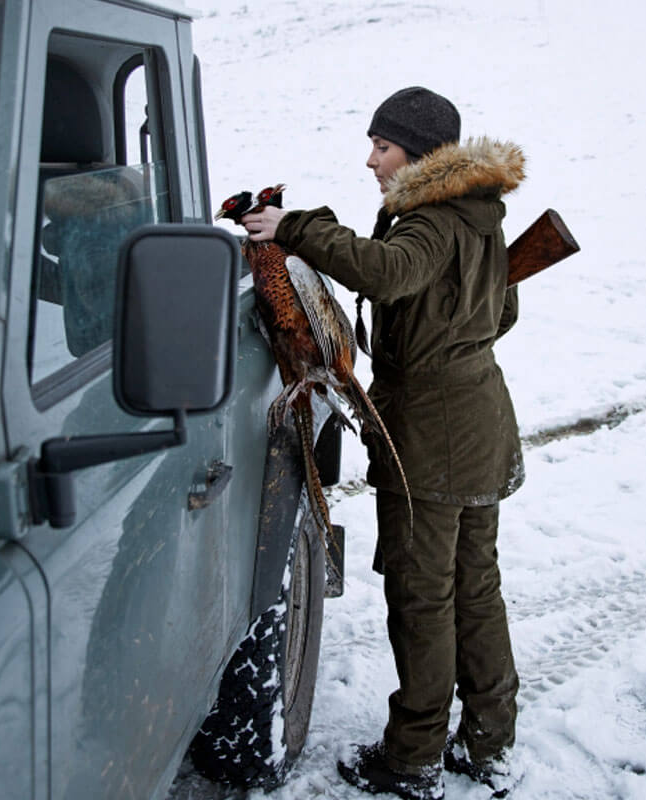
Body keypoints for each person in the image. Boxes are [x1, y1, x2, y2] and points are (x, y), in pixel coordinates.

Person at [243, 86, 525, 800]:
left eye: (383, 146)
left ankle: (412, 757)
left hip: (433, 439)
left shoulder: (429, 221)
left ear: (422, 155)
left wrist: (296, 228)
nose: (371, 160)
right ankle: (489, 738)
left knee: (423, 595)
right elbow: (504, 312)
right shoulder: (478, 215)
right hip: (481, 420)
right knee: (475, 584)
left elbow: (386, 271)